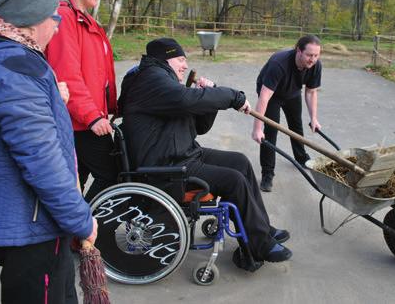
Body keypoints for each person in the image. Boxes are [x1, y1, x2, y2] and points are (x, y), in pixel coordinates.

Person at [118, 37, 292, 265]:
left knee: (240, 161)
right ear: (165, 58)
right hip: (165, 167)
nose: (185, 65)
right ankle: (258, 246)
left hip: (182, 154)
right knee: (233, 180)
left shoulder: (163, 80)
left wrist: (210, 96)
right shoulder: (151, 79)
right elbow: (185, 100)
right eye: (180, 59)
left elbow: (198, 127)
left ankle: (261, 230)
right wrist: (231, 96)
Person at [0, 0, 97, 303]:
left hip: (11, 219)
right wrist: (80, 220)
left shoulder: (2, 59)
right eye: (52, 16)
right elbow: (41, 159)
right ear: (28, 20)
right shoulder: (19, 67)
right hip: (31, 223)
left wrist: (52, 99)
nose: (58, 24)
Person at [46, 0, 118, 202]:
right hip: (79, 121)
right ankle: (87, 229)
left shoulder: (85, 20)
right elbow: (66, 74)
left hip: (87, 117)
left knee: (76, 182)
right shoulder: (64, 17)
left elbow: (98, 74)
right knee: (112, 174)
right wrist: (92, 115)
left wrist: (113, 107)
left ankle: (76, 234)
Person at [252, 35, 322, 192]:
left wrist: (314, 118)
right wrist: (257, 128)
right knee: (270, 132)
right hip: (272, 95)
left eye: (316, 55)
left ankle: (301, 158)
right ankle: (267, 173)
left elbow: (311, 92)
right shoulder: (279, 63)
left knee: (296, 126)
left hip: (292, 92)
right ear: (299, 51)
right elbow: (264, 97)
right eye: (309, 55)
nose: (313, 59)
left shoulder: (316, 66)